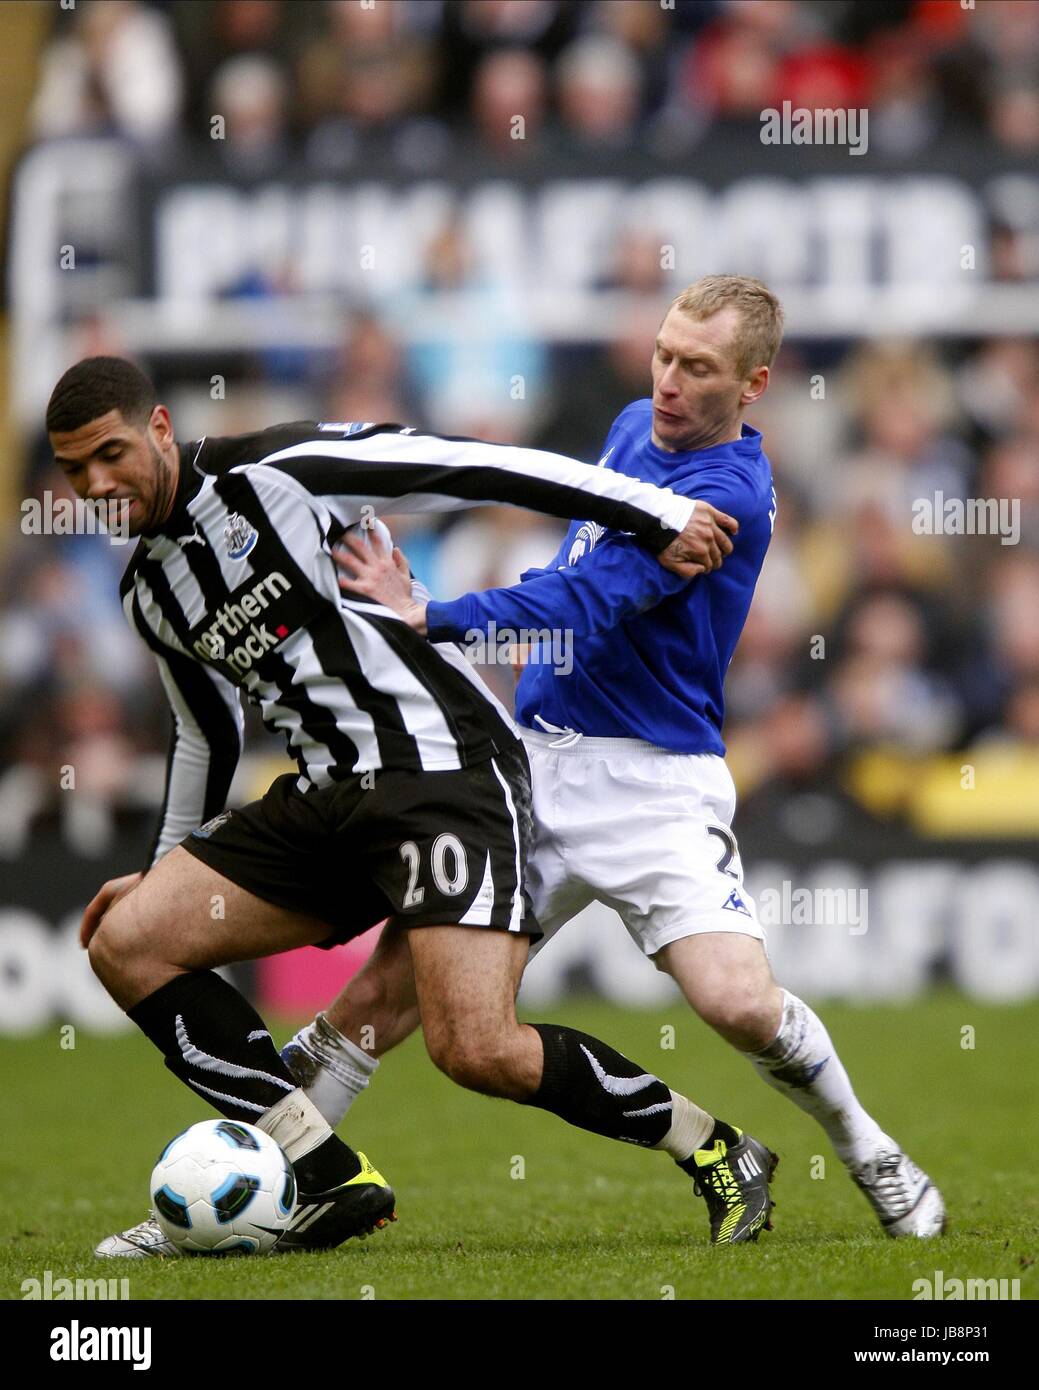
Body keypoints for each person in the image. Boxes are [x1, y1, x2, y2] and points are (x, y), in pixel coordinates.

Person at [48, 356, 776, 1259]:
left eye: (110, 454)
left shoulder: (283, 471)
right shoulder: (149, 592)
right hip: (325, 798)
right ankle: (319, 1173)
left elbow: (474, 465)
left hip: (445, 774)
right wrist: (163, 874)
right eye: (74, 470)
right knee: (127, 939)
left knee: (476, 1049)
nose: (96, 484)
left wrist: (653, 510)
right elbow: (207, 736)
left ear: (160, 428)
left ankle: (716, 1149)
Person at [277, 276, 947, 1241]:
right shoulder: (635, 423)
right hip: (531, 770)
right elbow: (573, 562)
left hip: (651, 783)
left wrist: (438, 616)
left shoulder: (726, 497)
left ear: (754, 385)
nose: (668, 380)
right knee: (389, 996)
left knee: (735, 1001)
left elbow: (594, 600)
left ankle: (865, 1147)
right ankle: (279, 1190)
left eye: (698, 367)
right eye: (664, 354)